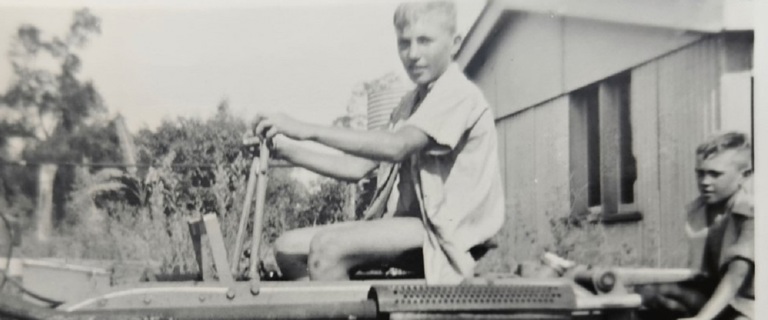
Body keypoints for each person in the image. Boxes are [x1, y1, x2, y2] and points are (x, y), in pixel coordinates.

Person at [251, 0, 505, 284]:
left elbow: (397, 146)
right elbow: (356, 167)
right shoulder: (411, 104)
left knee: (328, 248)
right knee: (287, 248)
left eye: (425, 41)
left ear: (454, 43)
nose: (413, 54)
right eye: (404, 43)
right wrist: (285, 150)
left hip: (449, 237)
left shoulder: (457, 93)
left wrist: (305, 129)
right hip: (411, 231)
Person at [637, 131, 754, 320]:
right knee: (647, 294)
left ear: (745, 175)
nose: (705, 182)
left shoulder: (752, 212)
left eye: (715, 174)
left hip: (748, 305)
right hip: (712, 299)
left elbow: (736, 277)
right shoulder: (698, 210)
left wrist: (702, 319)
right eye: (700, 173)